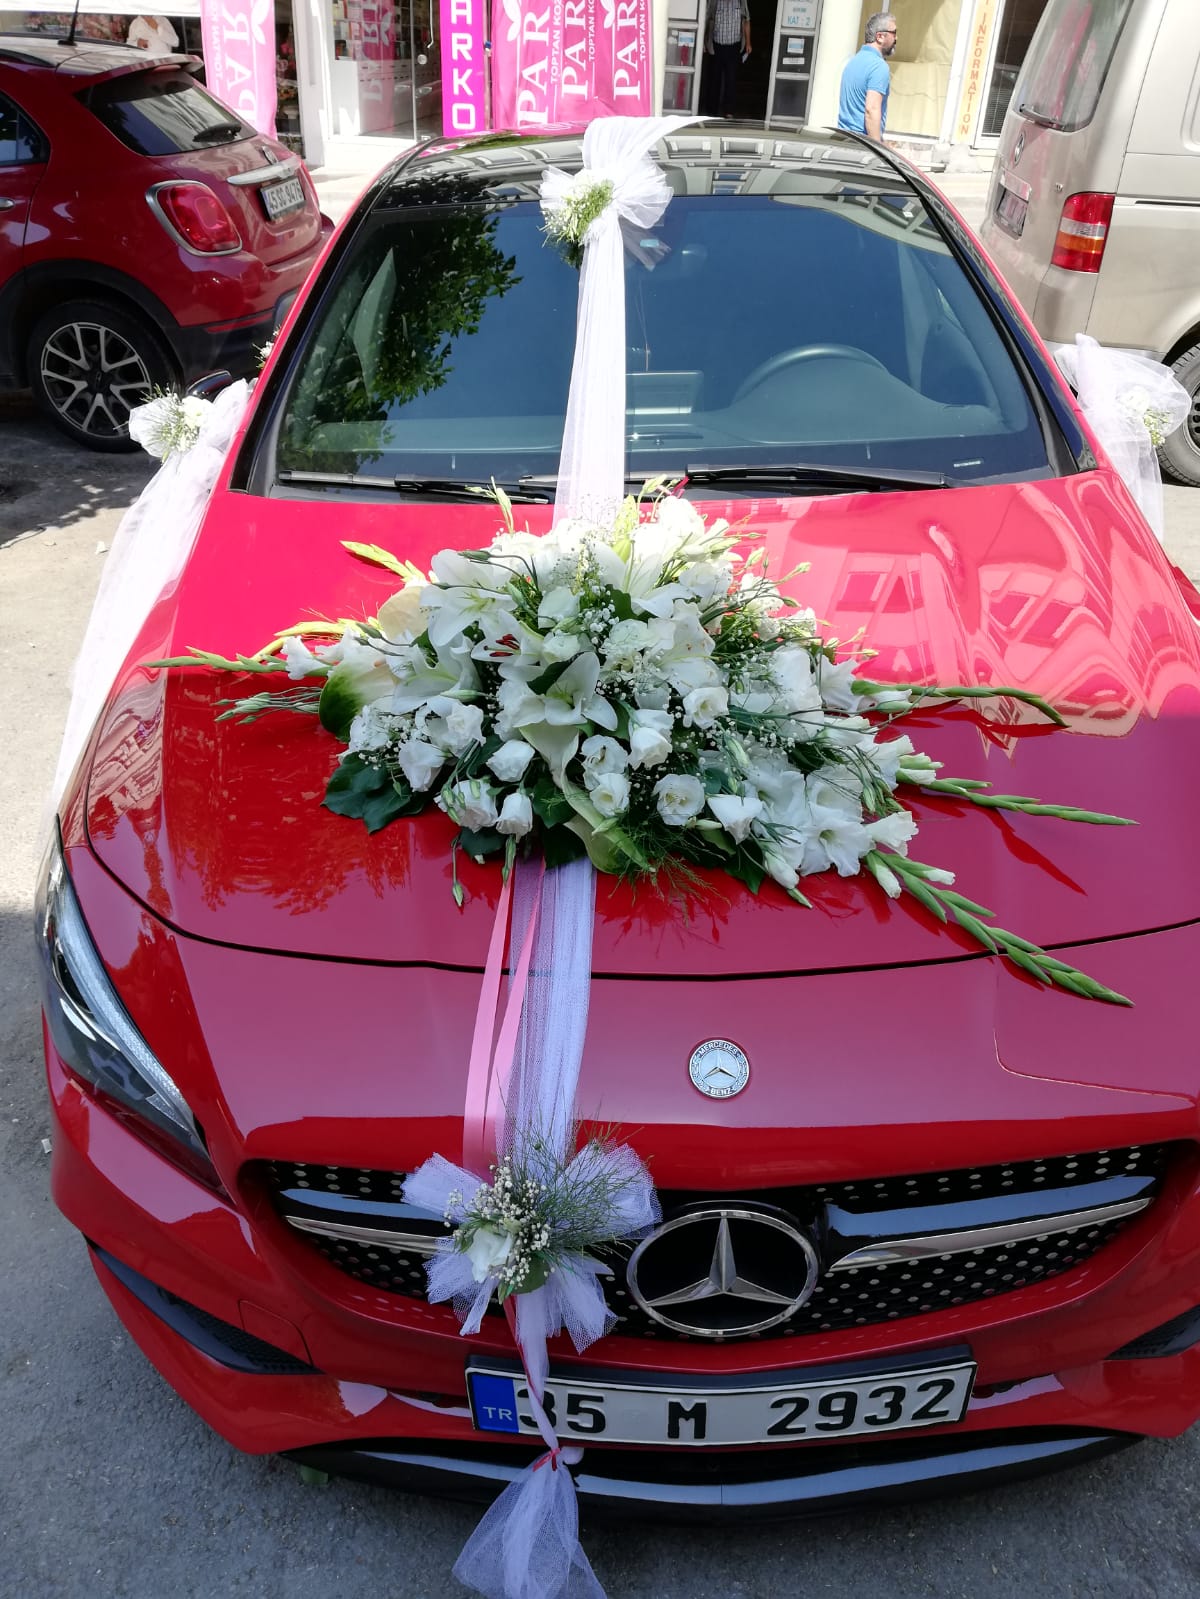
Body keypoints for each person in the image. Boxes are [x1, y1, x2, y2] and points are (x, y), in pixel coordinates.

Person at [837, 12, 897, 143]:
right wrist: (877, 147)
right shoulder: (878, 66)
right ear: (880, 36)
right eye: (894, 33)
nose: (896, 38)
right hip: (861, 143)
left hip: (843, 138)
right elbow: (871, 109)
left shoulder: (853, 61)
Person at [704, 0, 751, 120]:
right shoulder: (714, 2)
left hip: (734, 47)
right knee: (714, 79)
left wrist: (748, 43)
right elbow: (706, 19)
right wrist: (703, 41)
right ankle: (712, 111)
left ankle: (729, 111)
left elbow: (746, 21)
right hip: (716, 46)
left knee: (731, 80)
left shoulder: (741, 1)